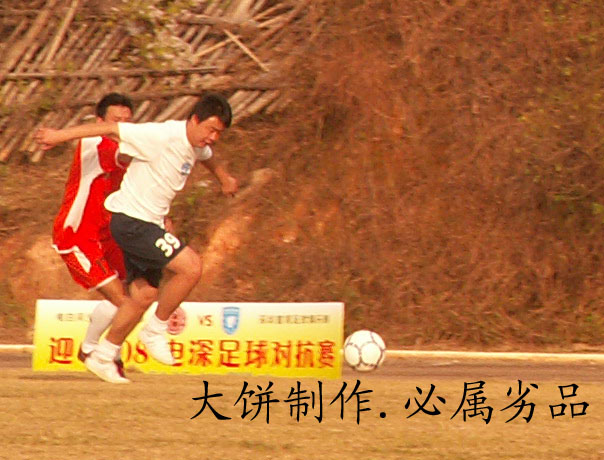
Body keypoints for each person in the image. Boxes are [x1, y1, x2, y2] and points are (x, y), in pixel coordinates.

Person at [36, 92, 238, 384]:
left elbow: (209, 158)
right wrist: (58, 135)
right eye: (211, 130)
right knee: (191, 267)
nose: (213, 138)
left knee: (143, 295)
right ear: (194, 120)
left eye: (219, 133)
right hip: (130, 223)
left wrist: (224, 178)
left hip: (142, 224)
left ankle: (103, 354)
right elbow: (109, 130)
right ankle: (155, 330)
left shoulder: (197, 144)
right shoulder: (158, 135)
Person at [52, 93, 156, 381]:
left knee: (134, 295)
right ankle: (105, 355)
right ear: (100, 122)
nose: (121, 126)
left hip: (109, 235)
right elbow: (125, 156)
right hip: (77, 236)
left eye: (127, 121)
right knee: (125, 302)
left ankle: (90, 348)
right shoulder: (95, 141)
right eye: (115, 121)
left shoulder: (123, 146)